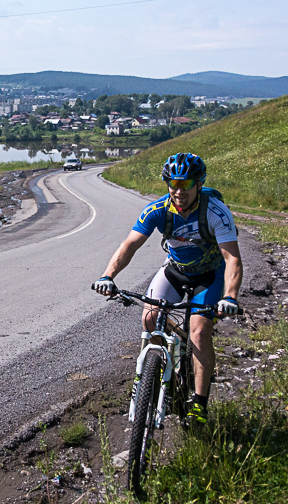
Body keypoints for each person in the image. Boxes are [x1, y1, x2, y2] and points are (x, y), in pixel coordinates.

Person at [93, 152, 243, 424]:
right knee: (150, 318)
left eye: (185, 185)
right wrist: (108, 276)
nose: (178, 191)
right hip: (175, 269)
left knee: (198, 333)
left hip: (208, 275)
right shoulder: (157, 210)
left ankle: (199, 404)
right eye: (172, 184)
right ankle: (163, 378)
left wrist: (230, 296)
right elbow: (130, 245)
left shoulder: (215, 212)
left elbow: (232, 257)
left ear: (199, 184)